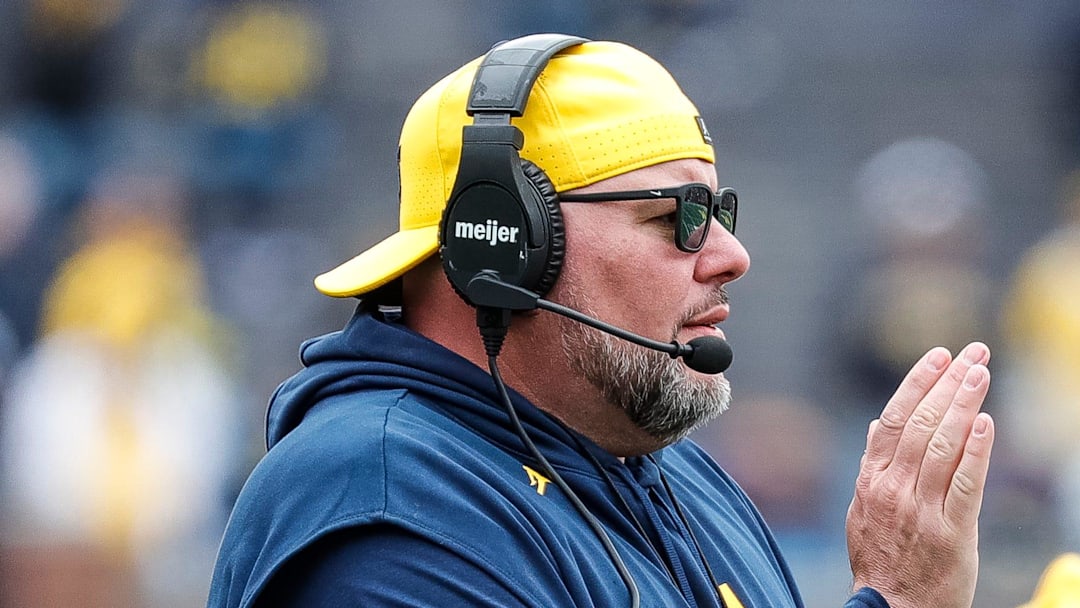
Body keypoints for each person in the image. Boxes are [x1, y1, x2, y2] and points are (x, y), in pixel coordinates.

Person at [207, 34, 995, 608]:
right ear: (506, 249)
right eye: (675, 216)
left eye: (718, 210)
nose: (730, 253)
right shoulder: (383, 511)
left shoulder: (672, 473)